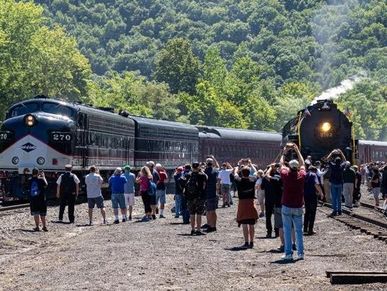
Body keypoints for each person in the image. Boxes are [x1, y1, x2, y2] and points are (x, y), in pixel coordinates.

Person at [279, 143, 306, 261]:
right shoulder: (301, 175)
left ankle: (288, 253)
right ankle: (300, 253)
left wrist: (284, 152)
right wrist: (297, 150)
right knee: (299, 231)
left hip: (286, 205)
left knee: (287, 230)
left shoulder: (285, 174)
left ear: (289, 167)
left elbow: (281, 163)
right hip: (298, 206)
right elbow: (303, 164)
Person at [234, 166, 258, 249]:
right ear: (249, 173)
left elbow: (235, 174)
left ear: (242, 173)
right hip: (250, 203)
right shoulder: (252, 180)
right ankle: (251, 242)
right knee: (251, 224)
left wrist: (238, 166)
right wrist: (251, 165)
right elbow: (255, 172)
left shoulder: (239, 180)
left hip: (242, 203)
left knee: (244, 224)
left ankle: (246, 242)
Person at [183, 162, 207, 235]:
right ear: (199, 167)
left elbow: (183, 184)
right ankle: (198, 230)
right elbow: (204, 185)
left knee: (192, 214)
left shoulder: (188, 175)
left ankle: (193, 229)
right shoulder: (202, 175)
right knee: (199, 214)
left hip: (190, 197)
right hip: (199, 197)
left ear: (192, 167)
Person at [265, 164, 284, 250]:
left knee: (268, 217)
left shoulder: (268, 178)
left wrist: (269, 169)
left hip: (269, 199)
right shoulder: (278, 177)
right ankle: (276, 232)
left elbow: (262, 186)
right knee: (277, 218)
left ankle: (269, 232)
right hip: (277, 200)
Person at [326, 149, 346, 216]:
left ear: (335, 161)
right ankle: (340, 210)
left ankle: (335, 210)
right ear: (340, 161)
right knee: (339, 198)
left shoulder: (333, 166)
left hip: (333, 183)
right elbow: (345, 160)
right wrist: (341, 152)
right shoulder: (341, 166)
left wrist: (331, 152)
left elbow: (327, 159)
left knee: (334, 198)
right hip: (340, 183)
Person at [303, 166, 323, 235]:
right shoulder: (314, 175)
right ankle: (310, 229)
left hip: (306, 195)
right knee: (313, 213)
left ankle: (305, 228)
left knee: (307, 212)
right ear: (314, 170)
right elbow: (316, 184)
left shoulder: (305, 175)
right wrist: (321, 193)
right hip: (312, 196)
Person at [204, 156, 219, 233]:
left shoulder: (205, 171)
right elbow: (217, 167)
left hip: (208, 192)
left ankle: (209, 225)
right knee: (213, 211)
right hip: (214, 192)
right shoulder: (215, 171)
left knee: (209, 210)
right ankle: (214, 226)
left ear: (206, 164)